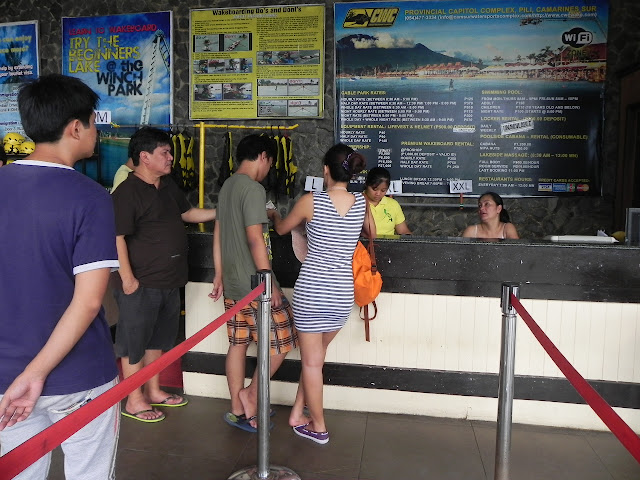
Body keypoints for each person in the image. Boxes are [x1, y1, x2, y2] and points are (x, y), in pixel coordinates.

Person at [0, 74, 120, 479]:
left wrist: (23, 373)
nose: (96, 132)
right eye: (93, 122)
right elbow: (88, 302)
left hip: (5, 377)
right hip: (78, 377)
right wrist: (36, 374)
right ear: (75, 128)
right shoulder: (91, 197)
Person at [268, 143, 373, 444]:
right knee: (316, 359)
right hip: (341, 292)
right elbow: (372, 233)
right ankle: (296, 413)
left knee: (312, 362)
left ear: (326, 170)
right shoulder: (362, 202)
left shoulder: (311, 202)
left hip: (313, 290)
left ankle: (318, 426)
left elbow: (282, 229)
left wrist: (273, 214)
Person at [112, 126, 216, 423]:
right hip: (140, 283)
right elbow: (116, 238)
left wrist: (221, 212)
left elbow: (187, 213)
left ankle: (154, 390)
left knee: (156, 341)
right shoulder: (127, 192)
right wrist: (128, 278)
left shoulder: (167, 186)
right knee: (134, 343)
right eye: (165, 152)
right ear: (145, 157)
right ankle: (134, 399)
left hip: (169, 280)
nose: (171, 157)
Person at [209, 134, 298, 433]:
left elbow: (218, 233)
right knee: (282, 340)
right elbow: (254, 238)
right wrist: (268, 280)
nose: (268, 168)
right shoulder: (253, 188)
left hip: (233, 282)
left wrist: (219, 273)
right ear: (263, 156)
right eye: (270, 162)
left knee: (238, 344)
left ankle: (238, 408)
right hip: (255, 284)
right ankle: (251, 395)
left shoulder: (228, 186)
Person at [363, 167, 412, 236]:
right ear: (367, 184)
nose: (378, 194)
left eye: (383, 190)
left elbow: (403, 230)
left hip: (389, 243)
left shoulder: (393, 204)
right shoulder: (356, 202)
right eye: (374, 189)